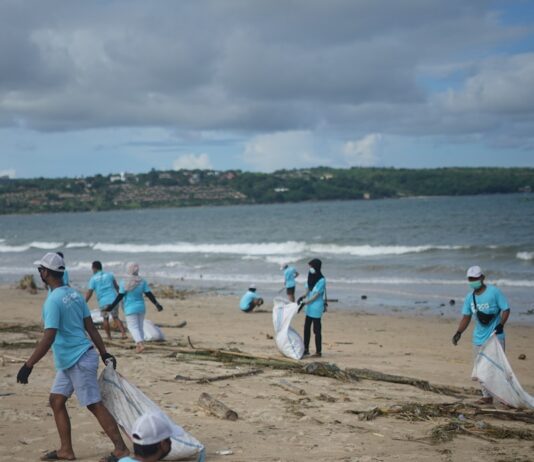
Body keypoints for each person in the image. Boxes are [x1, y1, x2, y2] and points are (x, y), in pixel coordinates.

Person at [17, 252, 129, 462]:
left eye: (40, 269)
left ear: (46, 273)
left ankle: (121, 449)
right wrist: (103, 352)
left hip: (79, 360)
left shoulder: (53, 301)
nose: (39, 272)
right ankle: (66, 451)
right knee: (56, 401)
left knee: (93, 404)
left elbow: (48, 337)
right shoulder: (74, 294)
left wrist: (28, 364)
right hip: (71, 360)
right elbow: (91, 328)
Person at [452, 265, 510, 405]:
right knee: (481, 369)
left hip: (495, 337)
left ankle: (506, 397)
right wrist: (458, 332)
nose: (473, 281)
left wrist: (501, 325)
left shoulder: (494, 292)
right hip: (478, 339)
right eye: (471, 279)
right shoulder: (469, 298)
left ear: (482, 278)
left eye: (476, 278)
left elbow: (506, 309)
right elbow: (466, 317)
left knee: (498, 368)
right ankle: (487, 396)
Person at [105, 262, 163, 354]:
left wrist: (111, 306)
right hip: (141, 308)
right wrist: (157, 304)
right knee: (139, 327)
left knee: (132, 327)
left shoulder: (124, 282)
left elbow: (120, 296)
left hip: (130, 308)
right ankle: (139, 345)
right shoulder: (142, 281)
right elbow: (149, 294)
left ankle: (140, 344)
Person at [85, 261, 127, 340]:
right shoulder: (109, 275)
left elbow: (89, 292)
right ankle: (123, 333)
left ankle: (109, 336)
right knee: (116, 317)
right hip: (113, 299)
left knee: (105, 319)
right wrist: (121, 296)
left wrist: (84, 302)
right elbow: (116, 287)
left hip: (103, 301)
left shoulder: (93, 279)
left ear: (94, 268)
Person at [298, 258, 327, 358]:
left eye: (311, 266)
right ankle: (306, 349)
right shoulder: (310, 276)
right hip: (309, 307)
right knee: (306, 328)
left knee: (316, 329)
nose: (310, 268)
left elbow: (316, 296)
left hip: (316, 307)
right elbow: (307, 292)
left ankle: (318, 352)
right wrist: (302, 297)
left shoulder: (322, 280)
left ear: (316, 267)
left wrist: (306, 302)